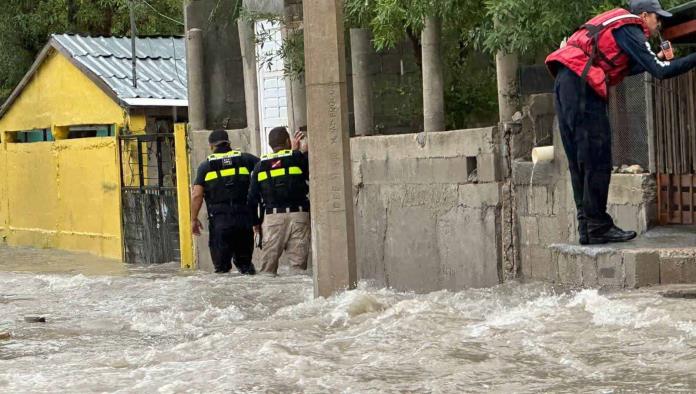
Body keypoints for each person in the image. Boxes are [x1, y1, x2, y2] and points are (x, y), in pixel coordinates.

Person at [545, 0, 696, 245]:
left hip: (567, 82)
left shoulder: (617, 28)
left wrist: (656, 57)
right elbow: (661, 71)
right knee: (597, 157)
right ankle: (597, 227)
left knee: (580, 161)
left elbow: (627, 67)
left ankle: (588, 227)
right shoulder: (630, 28)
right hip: (582, 86)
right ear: (643, 15)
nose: (659, 24)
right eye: (657, 18)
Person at [191, 130, 259, 274]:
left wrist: (193, 219)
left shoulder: (205, 167)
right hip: (243, 221)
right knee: (246, 267)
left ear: (211, 146)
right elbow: (267, 166)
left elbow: (197, 195)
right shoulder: (245, 159)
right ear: (229, 143)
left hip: (220, 224)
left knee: (221, 271)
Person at [247, 126, 310, 276]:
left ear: (270, 146)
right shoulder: (297, 158)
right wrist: (302, 151)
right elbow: (311, 173)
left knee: (267, 271)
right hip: (298, 216)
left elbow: (251, 199)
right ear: (288, 141)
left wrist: (256, 225)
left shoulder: (260, 166)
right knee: (298, 270)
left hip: (272, 219)